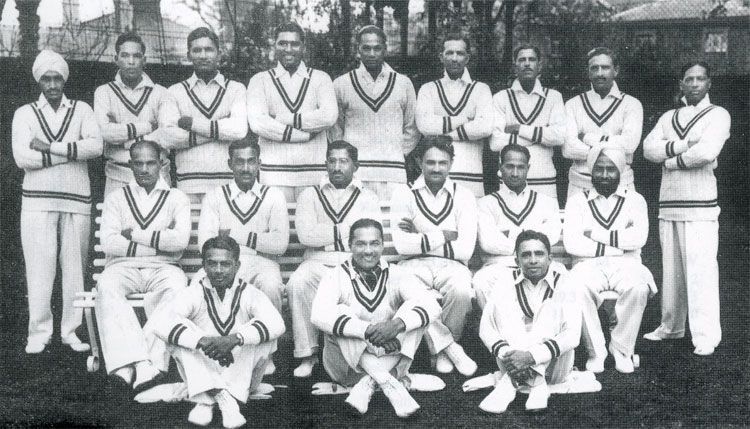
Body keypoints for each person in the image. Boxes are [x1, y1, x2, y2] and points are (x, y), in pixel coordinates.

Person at [12, 50, 103, 354]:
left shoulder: (82, 110)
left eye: (57, 78)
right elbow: (22, 157)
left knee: (74, 270)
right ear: (39, 81)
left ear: (64, 80)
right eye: (46, 79)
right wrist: (67, 154)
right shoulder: (25, 113)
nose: (52, 84)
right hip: (37, 201)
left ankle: (71, 331)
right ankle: (38, 333)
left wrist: (48, 148)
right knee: (40, 268)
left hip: (77, 200)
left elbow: (95, 147)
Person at [145, 236, 285, 428]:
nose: (218, 270)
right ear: (204, 265)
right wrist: (201, 340)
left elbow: (277, 323)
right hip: (203, 368)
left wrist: (235, 339)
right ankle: (221, 398)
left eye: (225, 264)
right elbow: (160, 323)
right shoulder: (193, 292)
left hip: (242, 375)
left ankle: (208, 398)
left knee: (266, 334)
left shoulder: (249, 293)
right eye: (212, 264)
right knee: (178, 334)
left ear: (237, 266)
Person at [310, 218, 443, 418]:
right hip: (347, 369)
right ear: (350, 245)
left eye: (374, 243)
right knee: (341, 314)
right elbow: (318, 315)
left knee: (414, 309)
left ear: (382, 244)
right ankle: (390, 382)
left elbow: (432, 305)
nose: (368, 251)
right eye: (361, 244)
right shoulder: (335, 275)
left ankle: (371, 384)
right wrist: (368, 331)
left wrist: (396, 326)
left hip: (391, 357)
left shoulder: (397, 273)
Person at [642, 61, 730, 356]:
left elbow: (707, 152)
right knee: (672, 270)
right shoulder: (668, 116)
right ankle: (671, 327)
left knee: (701, 270)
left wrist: (669, 159)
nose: (694, 84)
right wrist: (682, 145)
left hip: (701, 205)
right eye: (689, 79)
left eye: (700, 79)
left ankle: (705, 336)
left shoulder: (718, 114)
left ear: (709, 83)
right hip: (669, 204)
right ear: (680, 83)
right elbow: (648, 148)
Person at [95, 140, 190, 388]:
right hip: (122, 266)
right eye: (139, 163)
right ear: (130, 164)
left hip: (165, 268)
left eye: (151, 163)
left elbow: (179, 241)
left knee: (178, 289)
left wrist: (134, 234)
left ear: (162, 164)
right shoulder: (116, 197)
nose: (145, 169)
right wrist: (160, 241)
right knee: (106, 285)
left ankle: (140, 362)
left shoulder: (176, 197)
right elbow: (109, 243)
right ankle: (140, 365)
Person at [287, 140, 380, 378]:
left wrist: (326, 236)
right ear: (325, 163)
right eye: (332, 161)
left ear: (355, 165)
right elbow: (306, 236)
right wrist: (346, 232)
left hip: (353, 263)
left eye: (344, 161)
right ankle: (307, 355)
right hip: (316, 261)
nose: (337, 167)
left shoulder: (367, 196)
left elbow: (368, 236)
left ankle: (359, 355)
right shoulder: (310, 194)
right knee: (299, 280)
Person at [390, 135, 478, 376]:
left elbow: (465, 249)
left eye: (442, 162)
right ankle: (447, 348)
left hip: (453, 265)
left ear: (451, 163)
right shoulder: (403, 193)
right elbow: (402, 246)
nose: (436, 168)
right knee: (414, 294)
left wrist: (420, 236)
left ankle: (439, 351)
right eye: (430, 162)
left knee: (461, 291)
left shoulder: (464, 195)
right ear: (419, 162)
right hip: (411, 264)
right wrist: (445, 235)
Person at [564, 147, 656, 373]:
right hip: (587, 264)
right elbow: (572, 244)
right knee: (575, 287)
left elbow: (638, 239)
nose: (605, 175)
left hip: (628, 264)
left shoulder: (636, 200)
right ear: (591, 172)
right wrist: (619, 245)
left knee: (638, 287)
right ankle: (596, 352)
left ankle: (621, 349)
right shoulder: (577, 201)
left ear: (621, 172)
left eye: (611, 170)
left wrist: (593, 234)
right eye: (599, 169)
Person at [477, 230, 580, 413]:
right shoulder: (504, 281)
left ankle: (512, 383)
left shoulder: (566, 282)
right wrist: (512, 358)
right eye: (526, 255)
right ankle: (534, 384)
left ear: (550, 258)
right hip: (512, 362)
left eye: (539, 254)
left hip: (555, 369)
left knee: (549, 307)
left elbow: (572, 336)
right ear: (516, 260)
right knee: (503, 308)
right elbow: (486, 328)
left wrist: (530, 357)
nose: (533, 260)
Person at [247, 21, 337, 202]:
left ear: (303, 47)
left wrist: (281, 118)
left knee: (312, 228)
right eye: (283, 43)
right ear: (275, 46)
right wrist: (303, 135)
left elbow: (329, 116)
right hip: (273, 174)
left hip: (314, 172)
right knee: (277, 228)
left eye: (294, 44)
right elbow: (258, 123)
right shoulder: (260, 80)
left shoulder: (320, 78)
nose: (288, 49)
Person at [197, 138, 288, 313]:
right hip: (223, 263)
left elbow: (279, 244)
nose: (246, 168)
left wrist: (232, 235)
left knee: (272, 285)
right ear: (230, 164)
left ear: (259, 163)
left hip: (263, 264)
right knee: (198, 284)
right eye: (239, 162)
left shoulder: (274, 195)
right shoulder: (215, 196)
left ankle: (268, 338)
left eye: (251, 161)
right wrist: (259, 245)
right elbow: (205, 244)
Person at [330, 25, 418, 199]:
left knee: (392, 221)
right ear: (358, 50)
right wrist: (347, 159)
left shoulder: (403, 83)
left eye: (377, 48)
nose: (372, 53)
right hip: (356, 174)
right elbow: (335, 128)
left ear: (385, 49)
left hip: (393, 173)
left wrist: (396, 152)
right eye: (366, 48)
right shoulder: (341, 84)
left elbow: (412, 127)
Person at [162, 27, 248, 202]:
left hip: (227, 182)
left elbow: (239, 130)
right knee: (191, 230)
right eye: (197, 50)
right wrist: (219, 129)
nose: (203, 55)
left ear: (219, 54)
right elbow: (167, 137)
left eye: (208, 49)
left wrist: (192, 124)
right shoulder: (174, 92)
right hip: (188, 183)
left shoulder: (236, 89)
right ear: (189, 55)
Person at [473, 145, 561, 309]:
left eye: (520, 167)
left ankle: (548, 330)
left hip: (539, 264)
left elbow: (552, 237)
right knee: (480, 282)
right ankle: (499, 332)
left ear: (528, 168)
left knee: (565, 279)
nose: (515, 173)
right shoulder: (486, 203)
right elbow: (488, 242)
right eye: (509, 166)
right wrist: (531, 234)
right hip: (499, 266)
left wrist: (507, 233)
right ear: (501, 168)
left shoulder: (546, 202)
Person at [94, 32, 174, 195]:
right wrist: (148, 127)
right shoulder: (104, 92)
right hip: (118, 176)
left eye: (136, 56)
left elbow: (167, 135)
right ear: (115, 59)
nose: (131, 61)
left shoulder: (161, 93)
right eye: (125, 55)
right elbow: (105, 133)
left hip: (157, 176)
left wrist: (125, 141)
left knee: (159, 221)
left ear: (144, 60)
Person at [416, 33, 493, 197]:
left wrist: (442, 133)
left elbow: (485, 127)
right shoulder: (428, 89)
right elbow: (424, 126)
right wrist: (464, 120)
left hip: (472, 175)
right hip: (436, 176)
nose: (454, 58)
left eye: (460, 53)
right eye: (449, 53)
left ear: (467, 58)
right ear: (441, 57)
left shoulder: (481, 89)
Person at [563, 47, 643, 202]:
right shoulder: (573, 104)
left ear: (616, 70)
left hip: (621, 184)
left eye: (605, 67)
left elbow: (629, 145)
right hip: (580, 185)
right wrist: (613, 147)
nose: (600, 73)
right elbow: (568, 148)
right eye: (594, 68)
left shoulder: (631, 104)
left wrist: (586, 137)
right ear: (588, 72)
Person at [491, 44, 566, 199]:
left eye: (531, 59)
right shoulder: (500, 98)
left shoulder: (554, 97)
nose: (526, 63)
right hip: (509, 180)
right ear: (515, 66)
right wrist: (540, 138)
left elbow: (558, 137)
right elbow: (496, 142)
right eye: (522, 60)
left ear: (539, 65)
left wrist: (519, 128)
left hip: (544, 178)